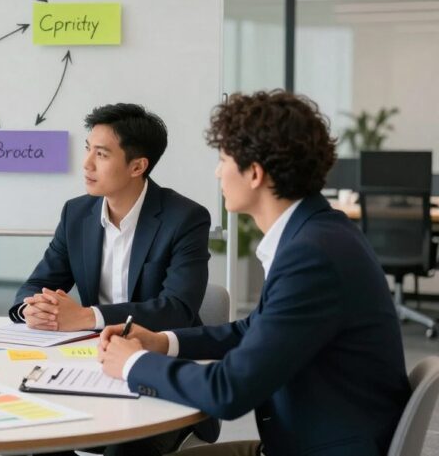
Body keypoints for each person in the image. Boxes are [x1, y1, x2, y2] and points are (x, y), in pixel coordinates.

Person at [100, 91, 412, 456]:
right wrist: (163, 342)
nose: (218, 172)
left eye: (223, 160)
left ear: (254, 173)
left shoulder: (311, 256)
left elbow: (229, 390)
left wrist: (133, 363)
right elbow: (253, 330)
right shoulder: (319, 231)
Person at [11, 103, 214, 455]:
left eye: (101, 154)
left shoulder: (184, 218)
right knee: (36, 433)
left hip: (156, 372)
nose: (87, 164)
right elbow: (37, 283)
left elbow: (177, 309)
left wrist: (87, 316)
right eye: (88, 149)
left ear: (137, 166)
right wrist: (32, 308)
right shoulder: (76, 213)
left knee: (123, 446)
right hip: (87, 366)